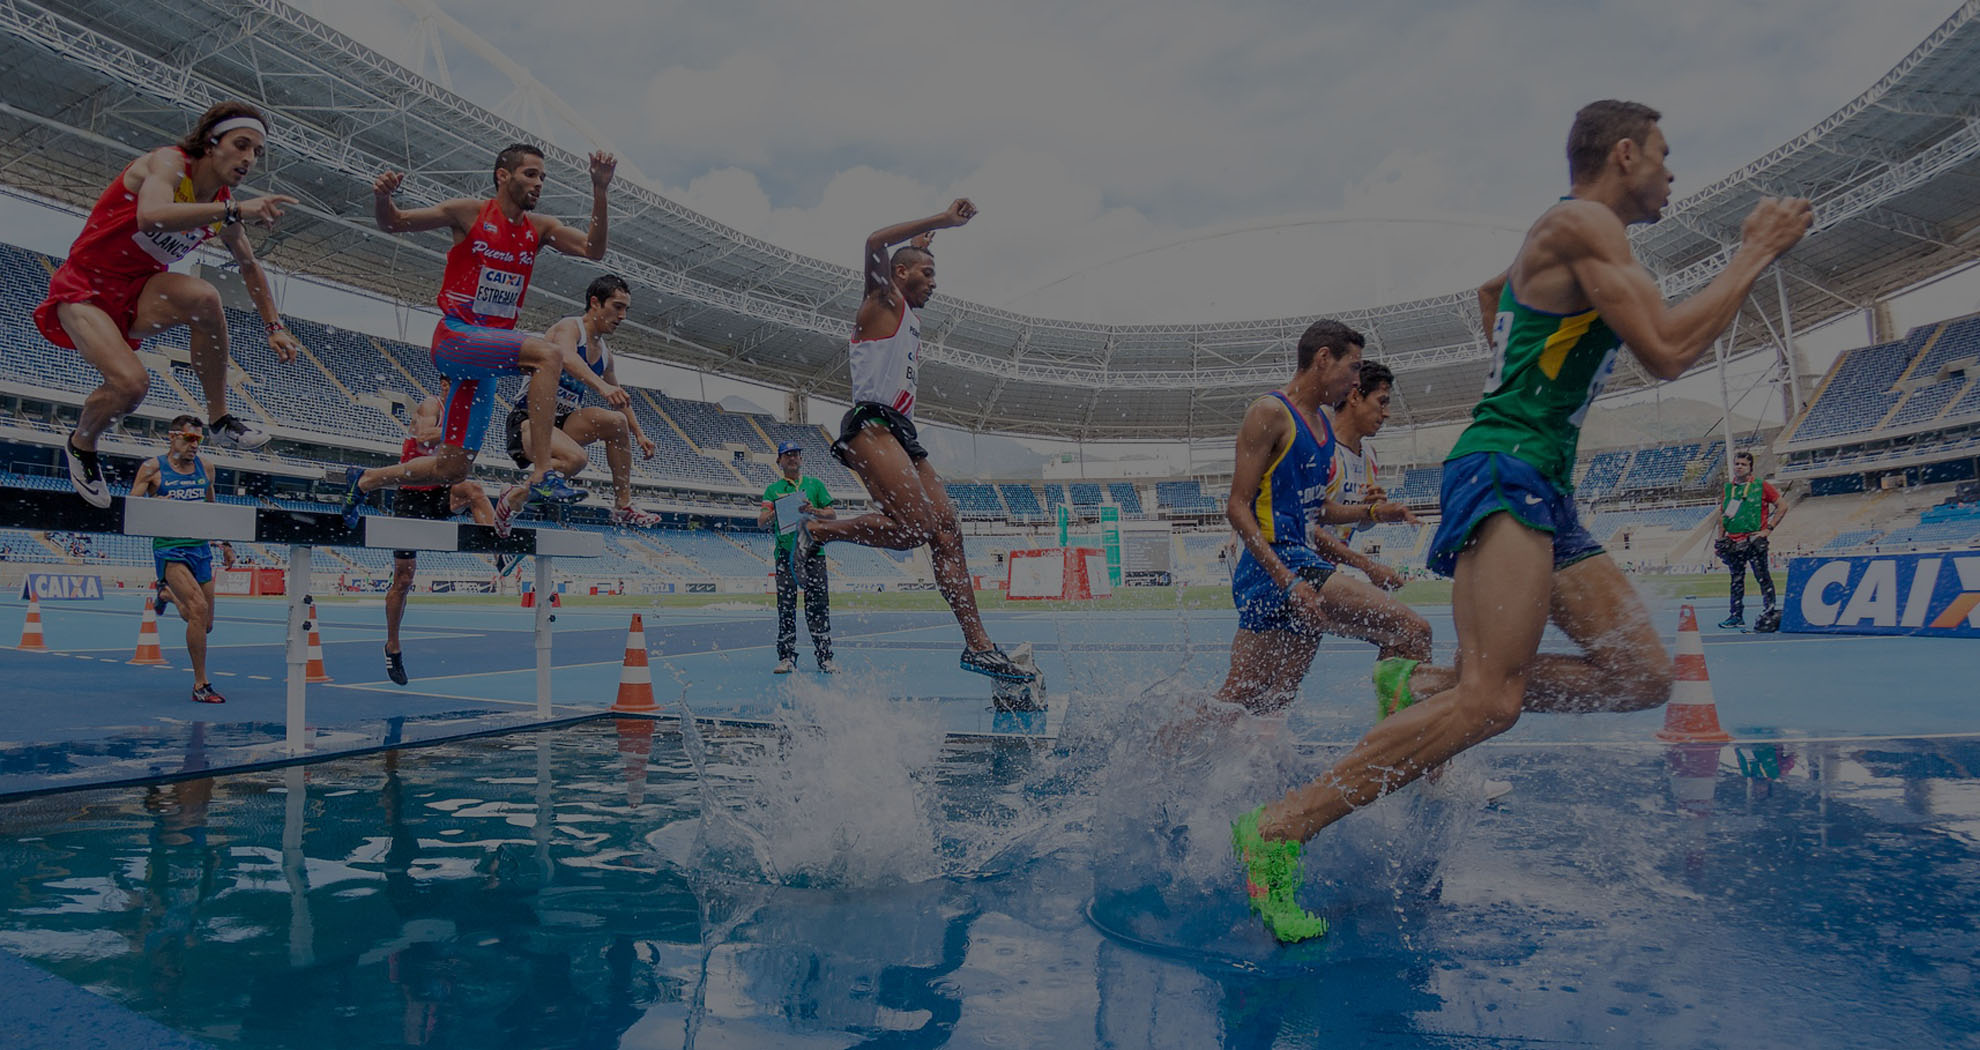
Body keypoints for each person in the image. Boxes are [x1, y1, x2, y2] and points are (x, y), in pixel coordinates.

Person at [1230, 99, 1812, 942]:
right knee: (1492, 703)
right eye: (1663, 155)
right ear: (1622, 155)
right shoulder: (1582, 221)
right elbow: (1668, 348)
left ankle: (1421, 685)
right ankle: (1280, 828)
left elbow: (1494, 291)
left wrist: (1523, 357)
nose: (1672, 173)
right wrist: (1755, 249)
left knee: (1640, 676)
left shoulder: (1574, 240)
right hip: (1506, 469)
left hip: (1541, 479)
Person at [791, 201, 1033, 682]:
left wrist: (921, 247)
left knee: (947, 531)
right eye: (926, 272)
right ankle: (817, 531)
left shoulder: (904, 304)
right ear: (900, 275)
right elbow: (874, 242)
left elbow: (900, 254)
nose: (935, 282)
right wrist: (941, 221)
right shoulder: (883, 301)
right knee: (914, 529)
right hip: (871, 425)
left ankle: (978, 645)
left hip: (902, 432)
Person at [340, 143, 623, 536]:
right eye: (530, 174)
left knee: (453, 466)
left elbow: (594, 249)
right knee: (549, 355)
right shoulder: (468, 213)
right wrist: (383, 197)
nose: (539, 183)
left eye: (543, 176)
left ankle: (365, 480)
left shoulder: (539, 229)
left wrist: (600, 189)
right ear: (502, 176)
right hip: (456, 338)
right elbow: (394, 223)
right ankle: (542, 473)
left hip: (486, 358)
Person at [36, 101, 302, 507]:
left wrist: (274, 326)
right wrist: (233, 209)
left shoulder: (221, 205)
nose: (249, 158)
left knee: (205, 298)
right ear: (211, 143)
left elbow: (249, 266)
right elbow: (152, 216)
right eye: (242, 144)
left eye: (257, 152)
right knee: (130, 386)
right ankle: (82, 443)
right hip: (85, 288)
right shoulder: (168, 163)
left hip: (138, 291)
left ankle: (218, 418)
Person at [1210, 324, 1420, 720]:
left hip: (1300, 566)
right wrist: (1288, 580)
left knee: (1255, 699)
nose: (1355, 381)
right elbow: (1237, 507)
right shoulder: (1270, 412)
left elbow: (1317, 510)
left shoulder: (1321, 426)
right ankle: (1408, 760)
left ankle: (1160, 747)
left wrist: (1372, 513)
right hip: (1278, 565)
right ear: (1323, 358)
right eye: (1353, 368)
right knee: (1412, 631)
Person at [501, 274, 661, 527]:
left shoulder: (606, 355)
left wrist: (639, 434)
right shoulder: (569, 327)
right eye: (617, 307)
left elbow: (619, 397)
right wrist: (601, 386)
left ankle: (623, 505)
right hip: (529, 421)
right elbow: (565, 356)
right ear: (595, 303)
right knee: (575, 460)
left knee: (617, 421)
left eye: (626, 309)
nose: (623, 316)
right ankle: (513, 498)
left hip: (563, 423)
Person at [383, 396, 500, 685]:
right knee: (404, 579)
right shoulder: (431, 407)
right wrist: (460, 430)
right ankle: (392, 646)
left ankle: (499, 552)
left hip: (440, 494)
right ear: (446, 384)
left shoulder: (464, 415)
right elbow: (423, 436)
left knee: (474, 490)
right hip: (410, 497)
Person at [130, 416, 225, 704]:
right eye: (189, 438)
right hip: (170, 549)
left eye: (199, 440)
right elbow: (132, 508)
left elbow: (211, 507)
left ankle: (167, 595)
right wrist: (154, 503)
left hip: (200, 548)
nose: (195, 445)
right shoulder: (152, 468)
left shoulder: (205, 468)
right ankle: (201, 684)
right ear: (172, 437)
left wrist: (225, 542)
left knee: (204, 622)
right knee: (197, 608)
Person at [758, 441, 836, 674]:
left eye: (796, 454)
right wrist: (777, 512)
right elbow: (761, 522)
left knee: (819, 606)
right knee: (786, 605)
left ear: (801, 459)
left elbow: (831, 515)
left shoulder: (815, 485)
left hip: (814, 553)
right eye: (787, 455)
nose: (792, 458)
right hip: (786, 555)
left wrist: (813, 510)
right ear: (779, 461)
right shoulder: (773, 490)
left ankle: (825, 658)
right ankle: (787, 657)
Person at [1715, 450, 1784, 629]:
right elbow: (1723, 515)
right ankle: (1736, 616)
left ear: (1750, 467)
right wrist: (1720, 539)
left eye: (1743, 464)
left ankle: (1769, 612)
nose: (1739, 467)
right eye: (1737, 463)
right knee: (1736, 579)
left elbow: (1782, 506)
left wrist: (1768, 529)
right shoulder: (1728, 488)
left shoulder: (1761, 485)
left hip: (1754, 539)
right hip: (1733, 541)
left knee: (1763, 577)